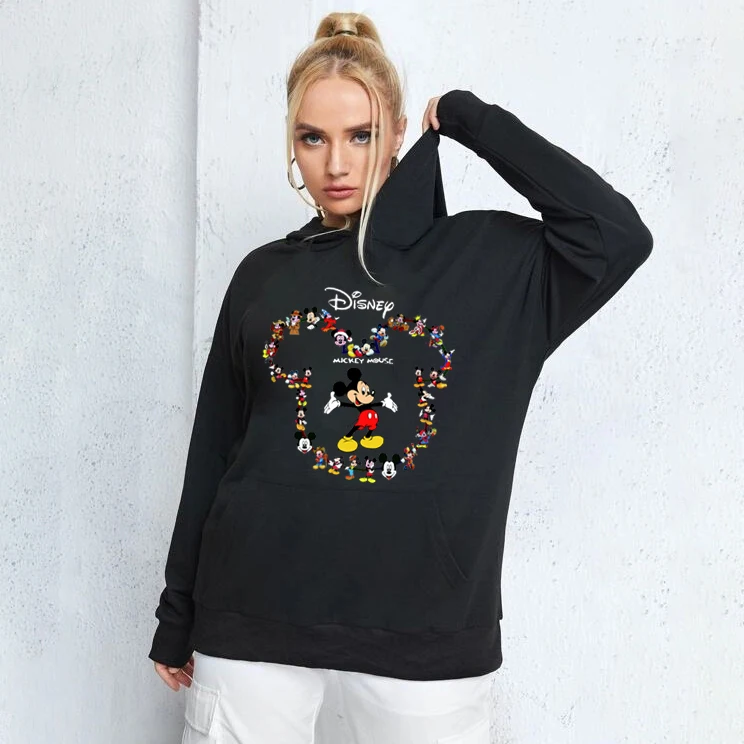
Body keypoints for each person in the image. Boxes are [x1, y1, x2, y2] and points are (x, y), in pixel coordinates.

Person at [149, 10, 653, 743]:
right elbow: (215, 449)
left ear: (396, 138)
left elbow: (617, 236)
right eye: (312, 138)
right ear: (292, 144)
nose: (336, 164)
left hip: (427, 630)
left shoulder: (490, 264)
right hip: (250, 615)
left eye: (361, 135)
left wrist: (471, 120)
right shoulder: (263, 276)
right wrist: (178, 612)